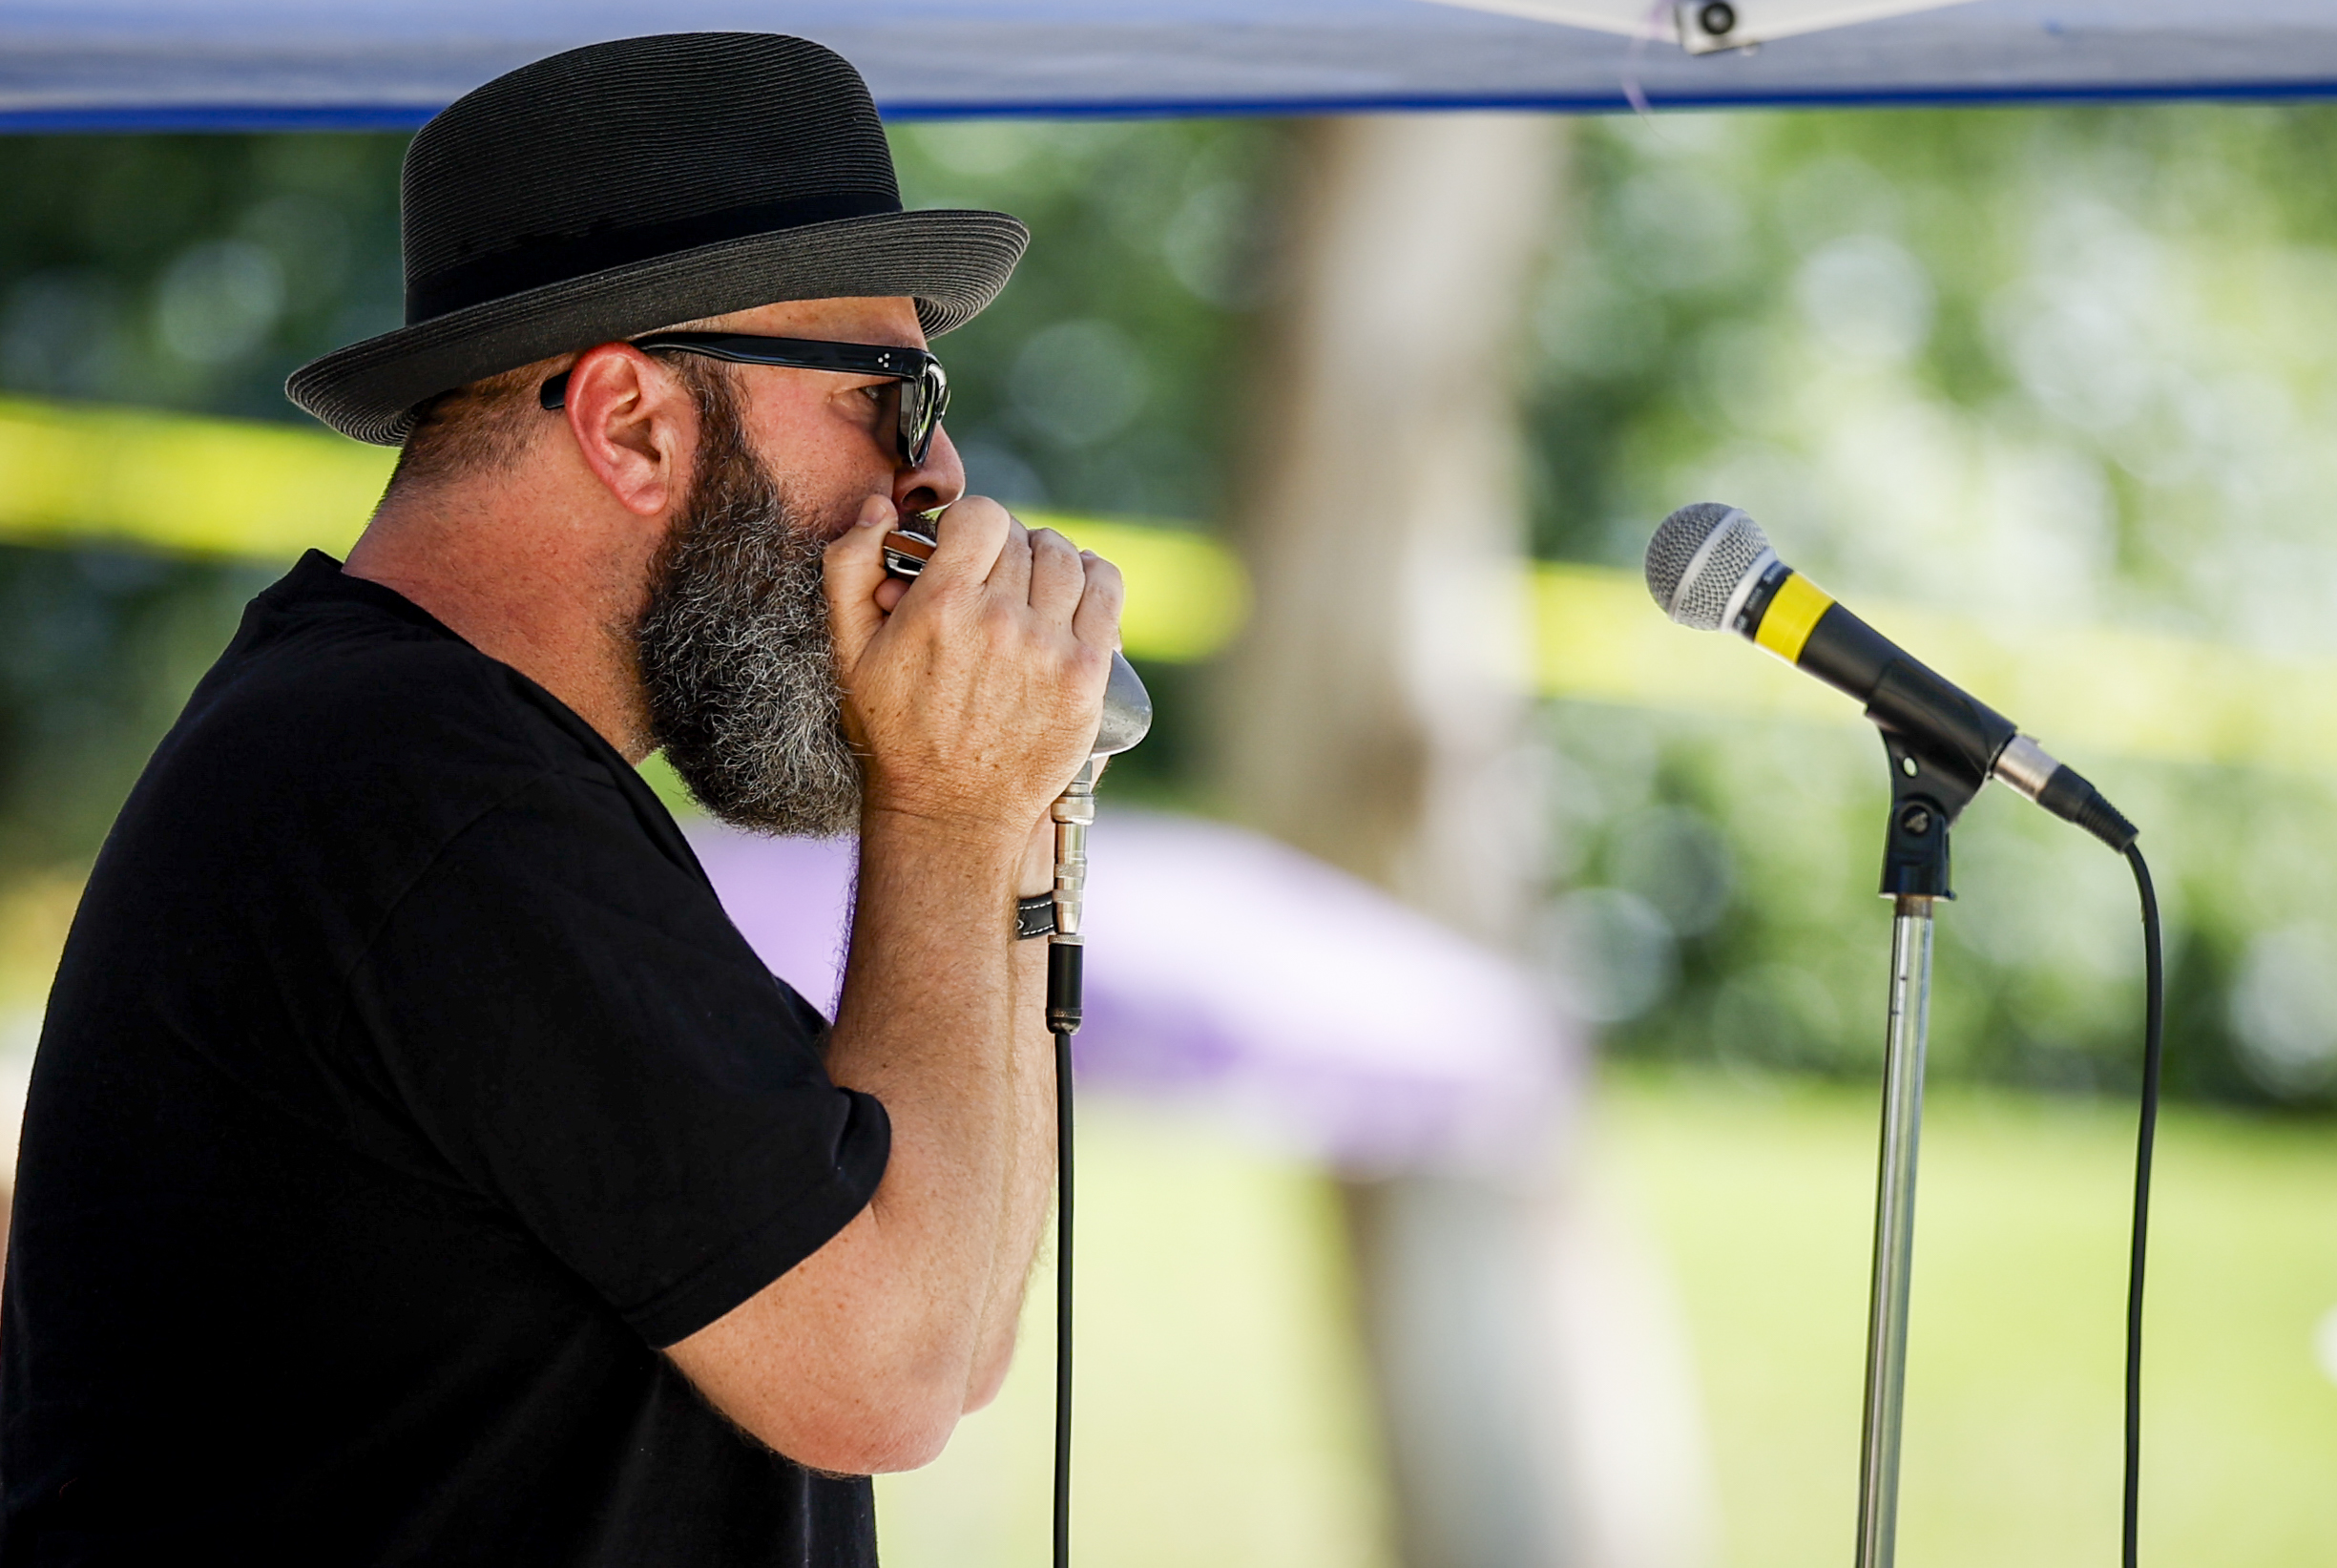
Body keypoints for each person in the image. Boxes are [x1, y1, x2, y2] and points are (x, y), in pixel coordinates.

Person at [0, 32, 1119, 1564]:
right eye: (893, 396)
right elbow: (889, 1377)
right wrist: (951, 807)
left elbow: (956, 1317)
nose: (939, 479)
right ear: (633, 422)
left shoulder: (442, 770)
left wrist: (1012, 800)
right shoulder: (410, 784)